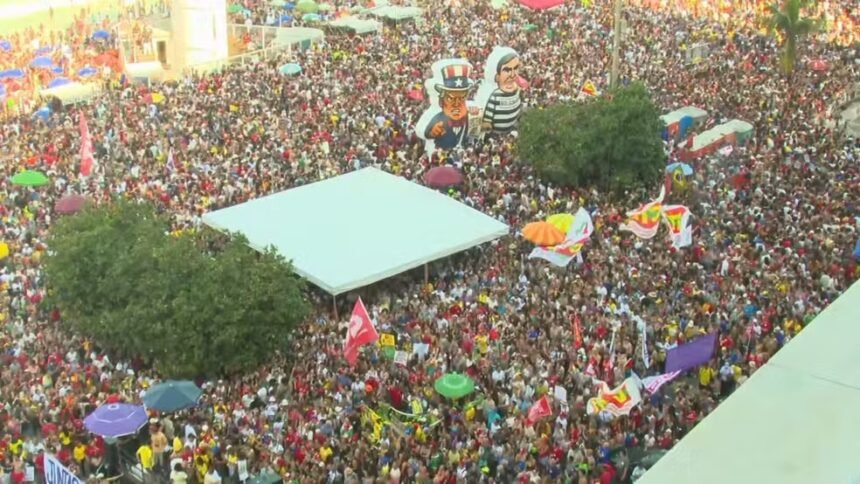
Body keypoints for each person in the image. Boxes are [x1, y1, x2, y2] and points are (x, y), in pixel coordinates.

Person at [423, 62, 476, 150]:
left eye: (461, 99)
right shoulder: (439, 118)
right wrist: (432, 133)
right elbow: (427, 132)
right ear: (442, 102)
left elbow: (477, 133)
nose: (456, 103)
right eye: (451, 99)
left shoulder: (469, 116)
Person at [481, 49, 524, 135]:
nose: (512, 74)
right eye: (507, 70)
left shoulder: (517, 90)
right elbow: (488, 118)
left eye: (515, 69)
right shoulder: (495, 96)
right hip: (496, 133)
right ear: (497, 76)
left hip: (511, 130)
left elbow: (519, 107)